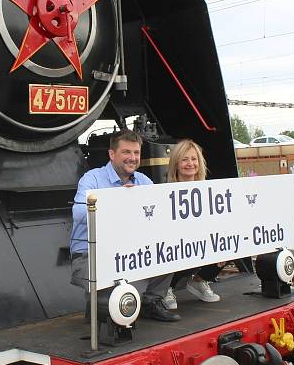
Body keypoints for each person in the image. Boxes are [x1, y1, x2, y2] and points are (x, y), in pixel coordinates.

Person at [69, 129, 179, 321]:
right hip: (90, 254)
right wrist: (118, 201)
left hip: (131, 250)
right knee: (109, 309)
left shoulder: (144, 181)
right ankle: (101, 312)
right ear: (112, 154)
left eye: (136, 153)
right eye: (126, 152)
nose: (133, 158)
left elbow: (162, 216)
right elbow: (79, 214)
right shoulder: (92, 179)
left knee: (169, 252)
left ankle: (150, 302)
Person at [162, 139, 223, 311]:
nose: (190, 164)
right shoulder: (164, 193)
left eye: (194, 159)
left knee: (227, 244)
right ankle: (167, 288)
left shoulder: (210, 191)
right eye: (184, 159)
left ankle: (200, 280)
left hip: (202, 240)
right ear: (176, 164)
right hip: (179, 244)